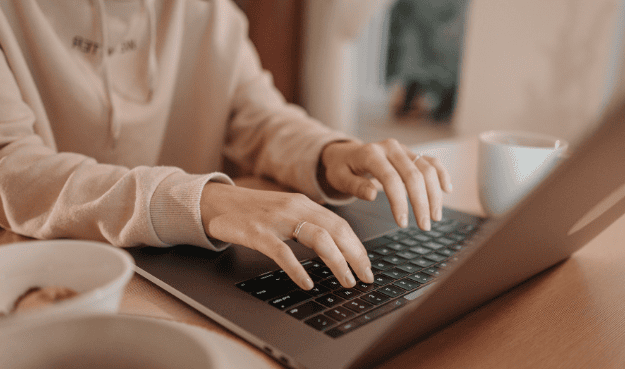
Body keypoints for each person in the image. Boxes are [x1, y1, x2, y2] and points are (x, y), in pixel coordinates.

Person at [0, 0, 452, 292]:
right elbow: (13, 167)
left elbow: (260, 119)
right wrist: (205, 202)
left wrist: (329, 153)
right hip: (52, 281)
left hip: (187, 279)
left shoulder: (212, 14)